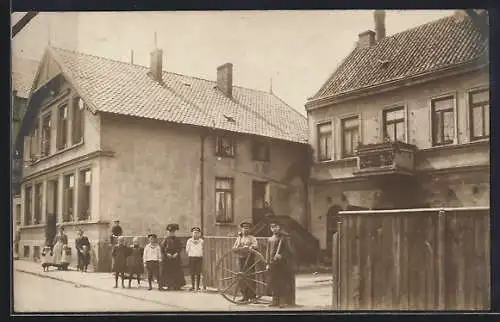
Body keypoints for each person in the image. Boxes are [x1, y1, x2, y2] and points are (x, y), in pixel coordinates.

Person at [265, 220, 295, 308]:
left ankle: (283, 302)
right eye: (272, 227)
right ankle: (275, 301)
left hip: (282, 264)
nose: (274, 229)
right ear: (271, 229)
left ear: (279, 227)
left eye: (276, 227)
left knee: (282, 282)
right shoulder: (270, 239)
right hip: (272, 263)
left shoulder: (285, 238)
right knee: (273, 283)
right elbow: (267, 252)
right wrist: (267, 263)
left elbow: (290, 251)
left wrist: (282, 255)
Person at [232, 221, 258, 302]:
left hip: (249, 260)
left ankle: (253, 297)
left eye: (247, 228)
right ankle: (244, 296)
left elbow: (256, 246)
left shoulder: (252, 238)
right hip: (241, 259)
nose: (245, 229)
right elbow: (234, 248)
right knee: (241, 278)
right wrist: (238, 249)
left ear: (249, 229)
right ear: (241, 229)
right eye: (244, 228)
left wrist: (249, 247)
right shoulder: (239, 238)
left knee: (251, 278)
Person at [161, 224, 186, 291]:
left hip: (176, 258)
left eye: (172, 232)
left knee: (177, 271)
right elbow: (162, 249)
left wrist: (176, 253)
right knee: (168, 271)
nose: (171, 233)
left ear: (174, 232)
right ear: (167, 232)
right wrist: (167, 254)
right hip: (167, 259)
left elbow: (180, 247)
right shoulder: (165, 239)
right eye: (169, 232)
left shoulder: (177, 240)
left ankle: (177, 285)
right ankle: (168, 285)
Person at [185, 227, 203, 291]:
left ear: (199, 234)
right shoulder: (189, 241)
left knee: (198, 272)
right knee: (192, 272)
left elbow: (203, 249)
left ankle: (197, 286)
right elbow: (187, 249)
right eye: (194, 233)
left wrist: (200, 254)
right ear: (192, 233)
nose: (196, 234)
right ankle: (192, 286)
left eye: (197, 233)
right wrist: (191, 254)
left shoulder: (201, 241)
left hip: (199, 258)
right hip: (192, 257)